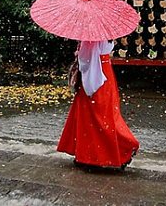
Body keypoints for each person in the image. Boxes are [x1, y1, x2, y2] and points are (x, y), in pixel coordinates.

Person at [57, 40, 139, 170]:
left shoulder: (91, 37)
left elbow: (85, 61)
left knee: (94, 118)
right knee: (107, 116)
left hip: (95, 76)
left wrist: (79, 55)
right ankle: (109, 152)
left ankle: (112, 150)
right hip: (105, 72)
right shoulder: (105, 34)